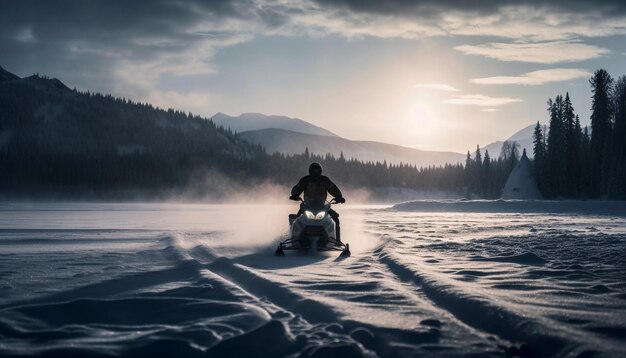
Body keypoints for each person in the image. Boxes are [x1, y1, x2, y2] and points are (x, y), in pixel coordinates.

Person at [289, 162, 346, 242]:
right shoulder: (306, 180)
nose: (316, 172)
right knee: (297, 219)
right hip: (307, 205)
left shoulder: (324, 180)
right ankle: (293, 239)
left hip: (322, 205)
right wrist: (295, 194)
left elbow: (332, 188)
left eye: (317, 170)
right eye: (314, 170)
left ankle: (337, 241)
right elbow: (298, 187)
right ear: (310, 171)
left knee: (335, 217)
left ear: (320, 171)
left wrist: (338, 196)